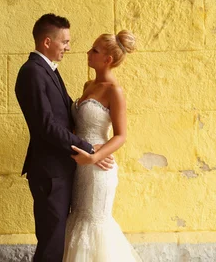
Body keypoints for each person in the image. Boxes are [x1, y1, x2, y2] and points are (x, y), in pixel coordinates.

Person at [15, 14, 113, 262]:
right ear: (47, 42)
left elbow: (66, 113)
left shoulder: (48, 70)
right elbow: (46, 126)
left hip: (62, 168)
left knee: (59, 240)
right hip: (49, 172)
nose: (69, 48)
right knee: (52, 243)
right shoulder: (32, 72)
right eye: (65, 42)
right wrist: (90, 148)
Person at [63, 30, 142, 262]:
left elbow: (120, 135)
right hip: (80, 168)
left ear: (107, 60)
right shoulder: (89, 84)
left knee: (94, 224)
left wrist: (96, 156)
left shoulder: (113, 90)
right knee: (78, 220)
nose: (88, 53)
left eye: (94, 50)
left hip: (98, 169)